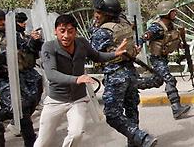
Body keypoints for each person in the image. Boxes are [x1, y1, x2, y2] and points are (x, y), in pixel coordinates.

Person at [34, 14, 126, 147]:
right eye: (62, 31)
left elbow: (97, 56)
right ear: (55, 31)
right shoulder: (49, 47)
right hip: (56, 100)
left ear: (75, 32)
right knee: (43, 141)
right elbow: (51, 74)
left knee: (76, 134)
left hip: (78, 99)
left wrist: (115, 54)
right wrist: (77, 79)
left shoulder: (81, 43)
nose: (66, 36)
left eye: (70, 31)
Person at [90, 0, 157, 147]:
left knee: (112, 114)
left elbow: (94, 54)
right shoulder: (123, 23)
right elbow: (114, 10)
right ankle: (135, 143)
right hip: (130, 72)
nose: (96, 16)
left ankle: (141, 137)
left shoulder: (101, 32)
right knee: (131, 110)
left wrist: (94, 25)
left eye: (98, 13)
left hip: (115, 76)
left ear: (106, 14)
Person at [0, 8, 37, 147]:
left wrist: (34, 41)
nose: (3, 23)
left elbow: (26, 47)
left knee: (26, 106)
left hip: (15, 75)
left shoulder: (12, 34)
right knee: (18, 106)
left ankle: (30, 141)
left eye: (3, 20)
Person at [137, 1, 191, 119]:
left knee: (157, 81)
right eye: (173, 12)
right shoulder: (157, 27)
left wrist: (180, 45)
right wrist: (139, 45)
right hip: (157, 59)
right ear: (166, 13)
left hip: (163, 58)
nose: (175, 13)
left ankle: (133, 84)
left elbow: (169, 39)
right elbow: (145, 36)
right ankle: (176, 108)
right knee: (170, 80)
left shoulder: (170, 25)